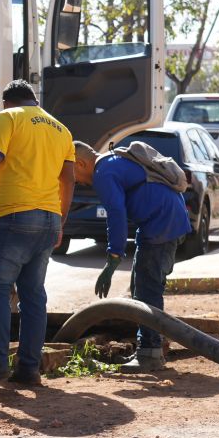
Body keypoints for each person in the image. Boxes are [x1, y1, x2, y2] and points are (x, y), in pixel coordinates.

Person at [0, 79, 75, 387]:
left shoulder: (8, 118)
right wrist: (59, 221)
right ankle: (29, 368)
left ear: (7, 102)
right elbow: (69, 181)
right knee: (33, 296)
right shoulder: (62, 130)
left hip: (13, 217)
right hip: (48, 221)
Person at [73, 140, 192, 370]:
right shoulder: (112, 163)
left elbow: (116, 214)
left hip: (161, 224)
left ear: (80, 163)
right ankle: (147, 348)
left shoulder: (103, 173)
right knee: (141, 288)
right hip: (163, 221)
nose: (75, 181)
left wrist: (113, 258)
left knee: (148, 290)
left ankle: (150, 355)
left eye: (73, 174)